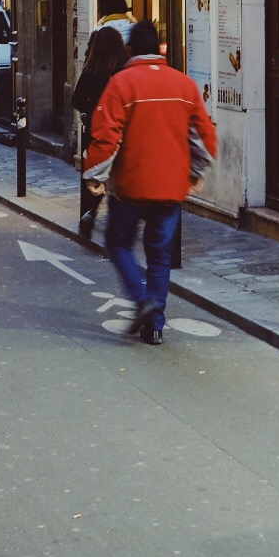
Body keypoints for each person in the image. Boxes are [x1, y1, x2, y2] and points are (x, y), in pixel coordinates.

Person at [83, 20, 217, 346]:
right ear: (159, 49)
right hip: (170, 189)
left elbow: (105, 138)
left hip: (130, 187)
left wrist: (94, 177)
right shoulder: (185, 86)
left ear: (129, 50)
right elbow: (205, 140)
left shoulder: (121, 84)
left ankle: (142, 300)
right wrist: (193, 173)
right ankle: (155, 326)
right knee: (160, 256)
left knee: (118, 244)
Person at [69, 25, 127, 242]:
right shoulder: (123, 72)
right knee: (119, 175)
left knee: (96, 174)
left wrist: (90, 111)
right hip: (120, 131)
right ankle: (119, 219)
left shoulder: (91, 71)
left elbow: (76, 99)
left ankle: (89, 213)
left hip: (96, 131)